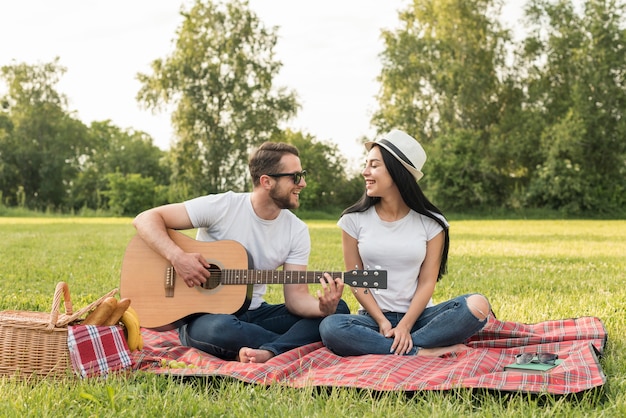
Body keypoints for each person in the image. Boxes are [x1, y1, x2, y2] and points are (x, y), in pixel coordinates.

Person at [132, 141, 348, 363]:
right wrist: (177, 258)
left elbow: (296, 299)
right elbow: (145, 219)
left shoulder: (297, 230)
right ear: (266, 181)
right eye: (294, 176)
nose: (302, 183)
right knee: (217, 330)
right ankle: (291, 345)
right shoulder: (223, 206)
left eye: (302, 174)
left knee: (338, 310)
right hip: (207, 316)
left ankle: (270, 350)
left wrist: (322, 308)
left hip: (255, 314)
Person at [319, 129, 491, 357]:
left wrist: (405, 326)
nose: (365, 172)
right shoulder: (353, 220)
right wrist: (383, 322)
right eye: (366, 164)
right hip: (373, 320)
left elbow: (427, 282)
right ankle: (421, 352)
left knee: (478, 305)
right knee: (331, 327)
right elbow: (357, 281)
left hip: (420, 319)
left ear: (396, 171)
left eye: (374, 165)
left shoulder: (432, 223)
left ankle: (393, 345)